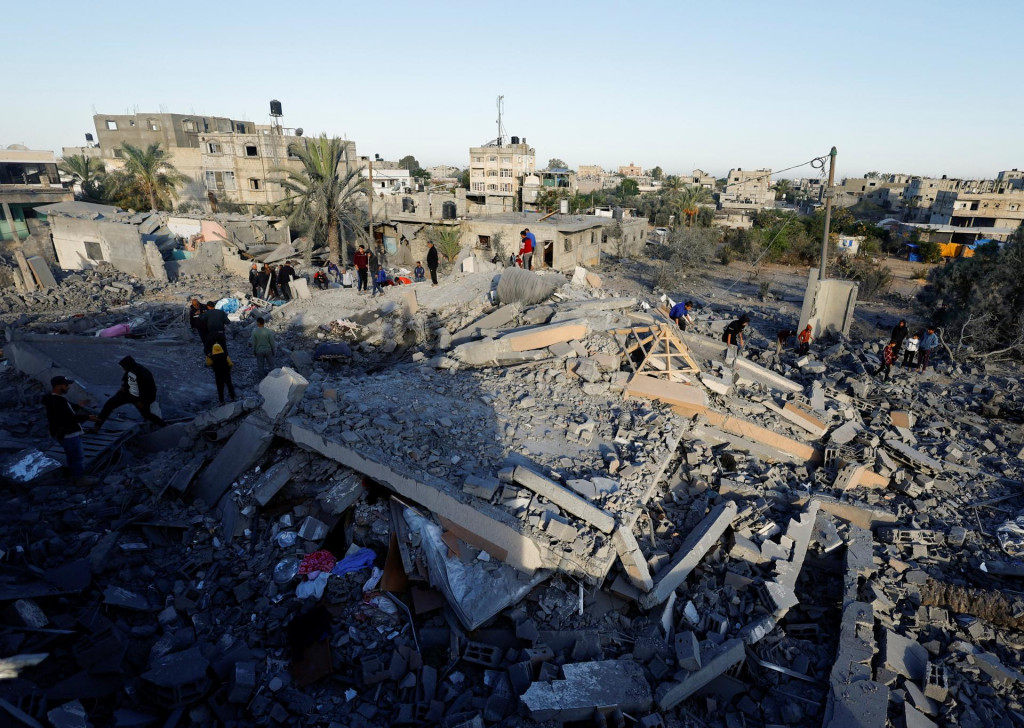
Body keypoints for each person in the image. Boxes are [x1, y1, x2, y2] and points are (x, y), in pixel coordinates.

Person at [43, 376, 99, 485]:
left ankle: (73, 475)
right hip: (68, 434)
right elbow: (68, 418)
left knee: (71, 456)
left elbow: (64, 411)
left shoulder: (50, 398)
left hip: (59, 433)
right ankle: (79, 479)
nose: (68, 387)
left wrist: (78, 406)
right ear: (58, 386)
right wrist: (88, 417)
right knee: (77, 457)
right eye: (66, 385)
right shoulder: (59, 400)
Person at [93, 356, 167, 431]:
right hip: (128, 394)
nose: (123, 369)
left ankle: (164, 425)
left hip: (141, 397)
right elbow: (126, 382)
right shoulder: (130, 369)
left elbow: (151, 391)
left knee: (147, 415)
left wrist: (143, 402)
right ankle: (96, 427)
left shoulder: (144, 373)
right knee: (109, 405)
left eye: (124, 367)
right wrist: (123, 388)